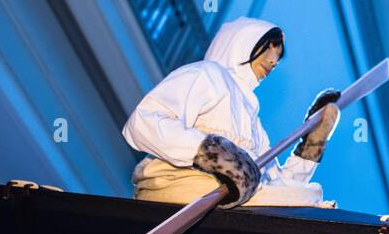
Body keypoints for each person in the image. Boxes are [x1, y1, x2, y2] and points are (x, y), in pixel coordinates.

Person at [121, 16, 341, 208]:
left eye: (278, 56)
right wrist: (212, 153)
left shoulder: (254, 123)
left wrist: (311, 145)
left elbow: (276, 186)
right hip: (182, 185)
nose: (273, 61)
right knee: (306, 200)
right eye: (269, 48)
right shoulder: (207, 74)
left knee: (306, 195)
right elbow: (143, 122)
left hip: (221, 200)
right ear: (241, 42)